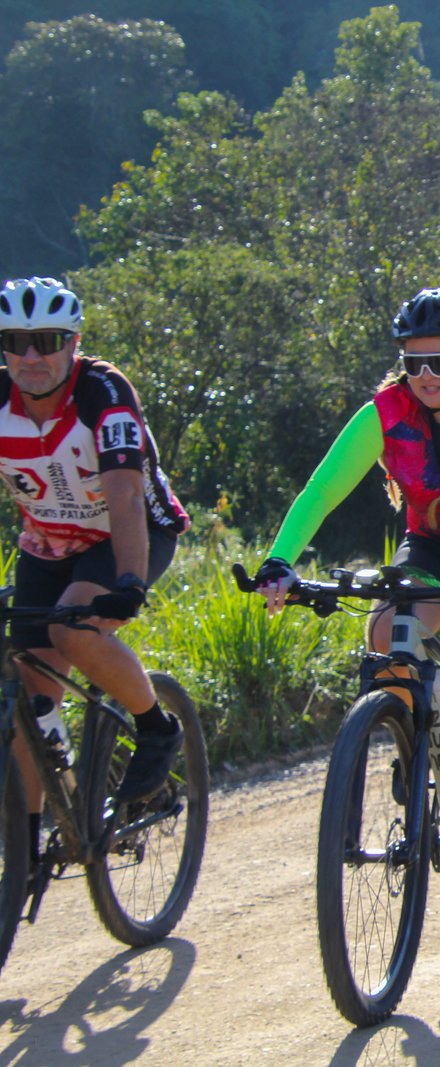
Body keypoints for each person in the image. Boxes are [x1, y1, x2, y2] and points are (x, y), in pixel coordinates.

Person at [252, 287, 440, 908]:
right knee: (386, 630)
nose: (424, 377)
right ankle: (414, 731)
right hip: (432, 548)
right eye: (412, 362)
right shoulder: (385, 411)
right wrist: (281, 560)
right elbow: (321, 489)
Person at [0, 276, 191, 874]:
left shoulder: (102, 392)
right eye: (15, 342)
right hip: (49, 541)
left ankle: (155, 726)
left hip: (126, 533)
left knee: (72, 630)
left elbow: (126, 496)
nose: (31, 357)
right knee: (31, 697)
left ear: (73, 342)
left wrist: (130, 583)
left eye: (48, 341)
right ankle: (25, 849)